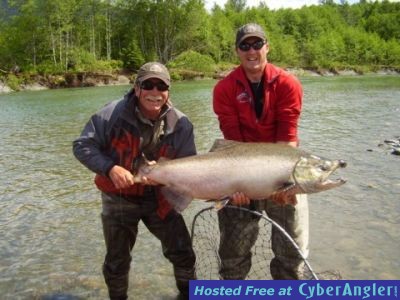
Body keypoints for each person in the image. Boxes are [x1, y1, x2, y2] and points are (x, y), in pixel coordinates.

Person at [73, 62, 196, 299]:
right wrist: (110, 169)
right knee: (117, 261)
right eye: (148, 84)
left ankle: (188, 295)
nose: (155, 92)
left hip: (160, 198)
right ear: (136, 88)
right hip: (119, 196)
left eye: (161, 86)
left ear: (168, 91)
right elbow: (82, 146)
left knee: (183, 252)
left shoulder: (181, 124)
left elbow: (189, 165)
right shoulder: (110, 115)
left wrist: (164, 177)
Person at [212, 23, 309, 280]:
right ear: (237, 51)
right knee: (233, 258)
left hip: (281, 176)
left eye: (257, 44)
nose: (251, 51)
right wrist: (238, 186)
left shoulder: (288, 83)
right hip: (240, 177)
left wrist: (282, 185)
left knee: (291, 256)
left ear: (267, 47)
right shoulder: (224, 89)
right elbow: (233, 147)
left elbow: (287, 143)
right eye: (245, 45)